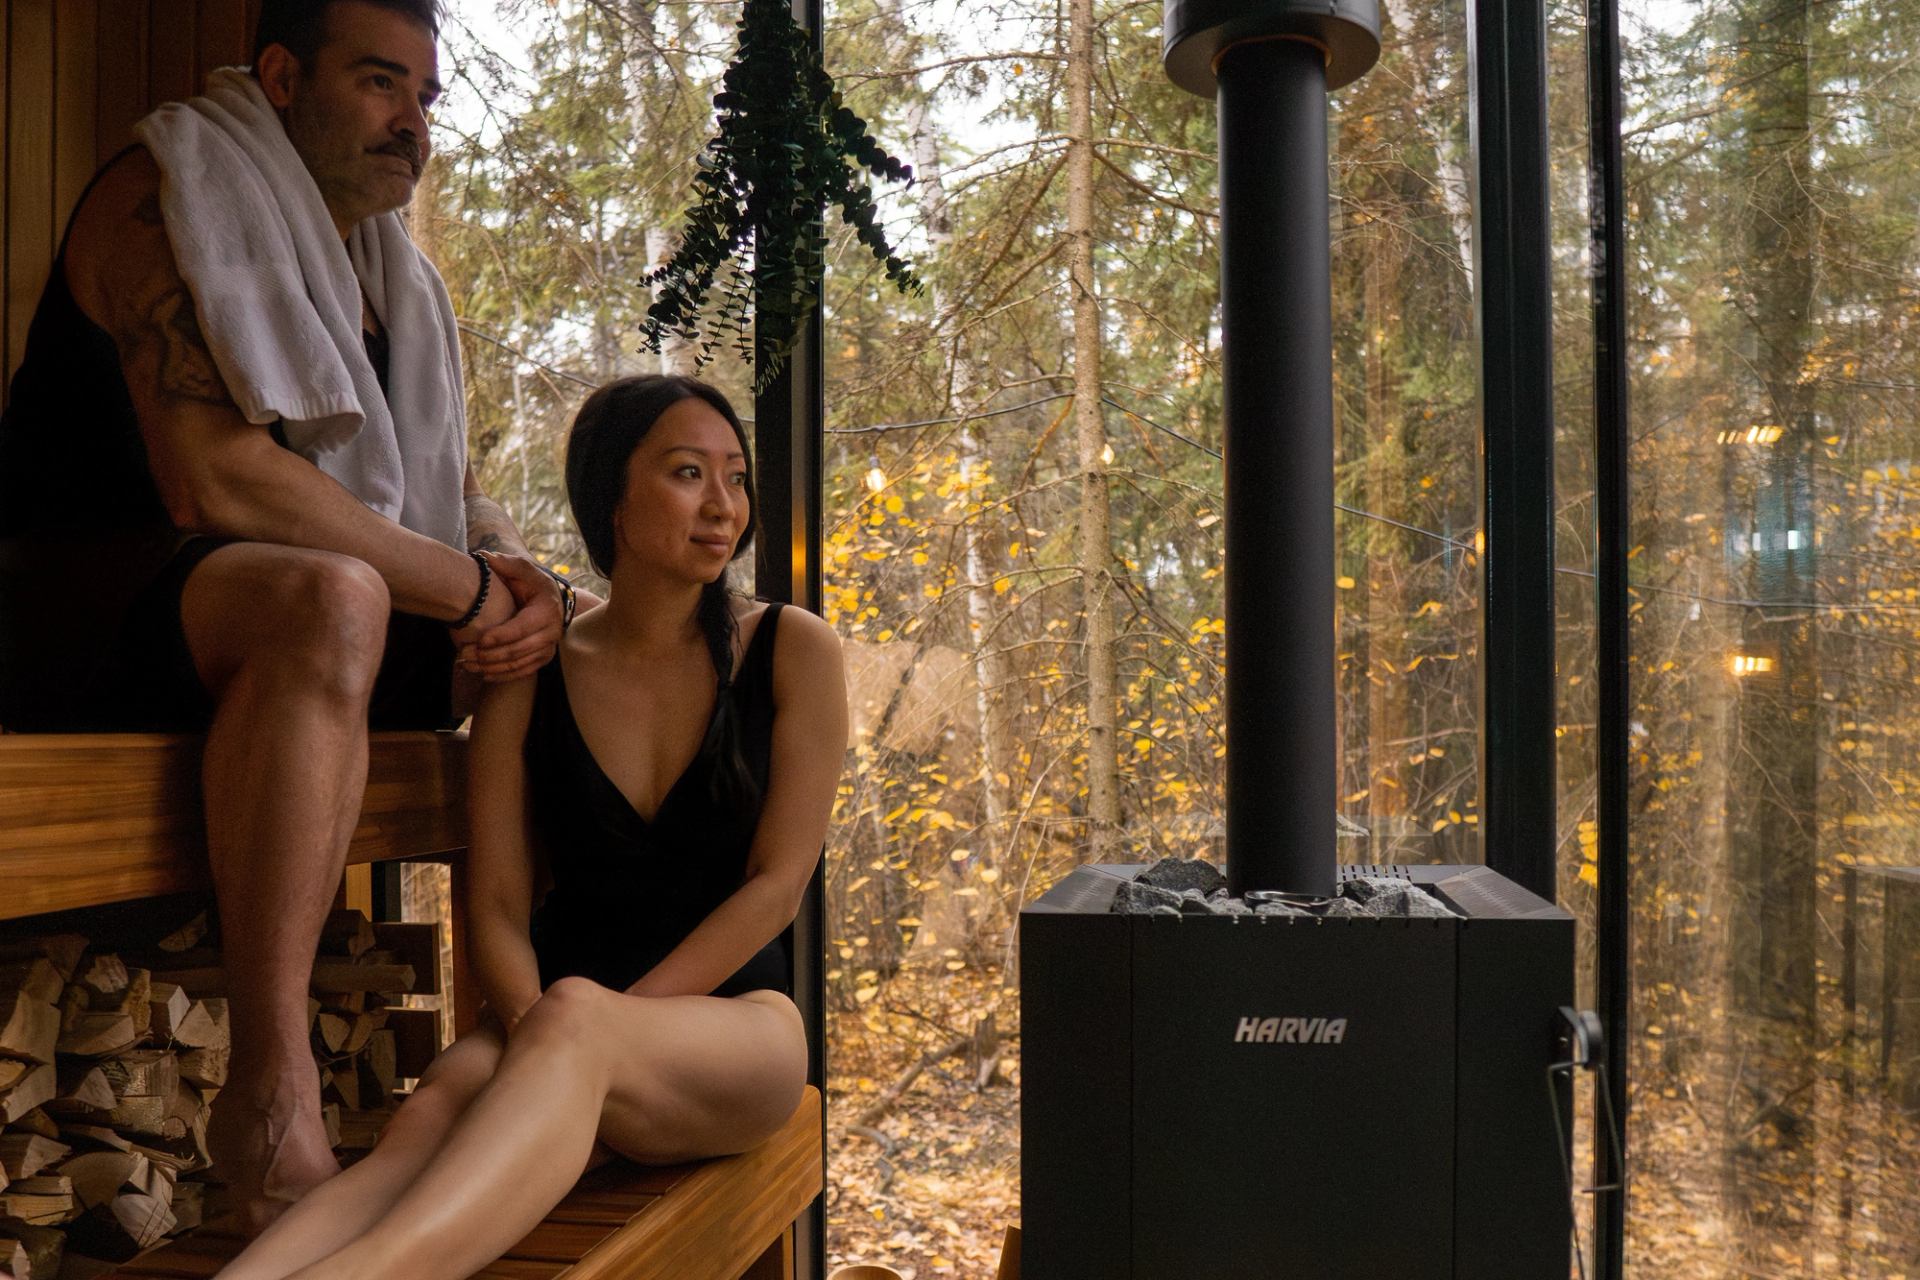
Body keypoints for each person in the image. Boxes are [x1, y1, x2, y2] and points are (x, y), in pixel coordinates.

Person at [0, 0, 567, 1229]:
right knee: (336, 592)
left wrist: (515, 573)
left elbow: (443, 484)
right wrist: (462, 586)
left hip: (244, 626)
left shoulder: (390, 274)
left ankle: (529, 1051)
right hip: (76, 611)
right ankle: (270, 1092)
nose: (412, 124)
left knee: (553, 644)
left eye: (427, 97)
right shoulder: (167, 190)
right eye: (378, 83)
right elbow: (219, 478)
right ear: (278, 75)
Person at [209, 374, 847, 1280]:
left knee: (580, 1020)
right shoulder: (532, 674)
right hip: (543, 1020)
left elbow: (775, 887)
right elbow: (499, 906)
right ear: (611, 500)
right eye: (686, 474)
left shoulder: (793, 650)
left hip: (737, 1035)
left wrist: (585, 1032)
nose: (723, 506)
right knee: (422, 1128)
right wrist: (533, 1032)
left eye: (735, 478)